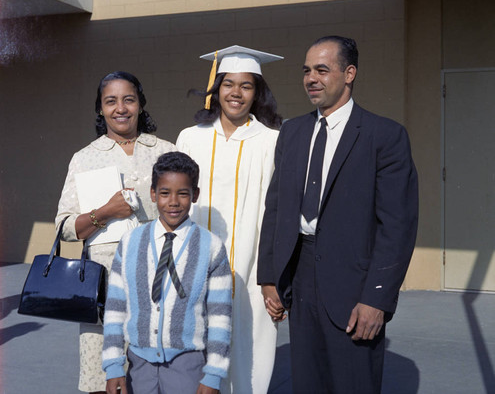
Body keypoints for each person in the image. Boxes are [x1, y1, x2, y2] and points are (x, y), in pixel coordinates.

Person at [257, 36, 419, 394]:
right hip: (300, 282)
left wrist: (376, 299)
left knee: (353, 384)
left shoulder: (385, 136)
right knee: (308, 383)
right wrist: (269, 275)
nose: (311, 78)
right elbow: (276, 208)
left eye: (322, 69)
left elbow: (397, 228)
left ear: (349, 74)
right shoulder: (293, 132)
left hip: (354, 289)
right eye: (306, 71)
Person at [55, 71, 176, 394]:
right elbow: (65, 227)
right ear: (100, 109)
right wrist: (106, 212)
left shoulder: (165, 152)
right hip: (104, 290)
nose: (120, 108)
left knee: (158, 379)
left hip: (159, 286)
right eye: (111, 101)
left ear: (140, 104)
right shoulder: (85, 158)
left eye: (128, 99)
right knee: (104, 382)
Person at [176, 45, 283, 394]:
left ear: (258, 93)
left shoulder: (271, 141)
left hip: (251, 271)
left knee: (250, 350)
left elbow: (276, 212)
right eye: (228, 84)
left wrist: (274, 276)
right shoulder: (191, 138)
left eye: (246, 86)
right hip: (195, 266)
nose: (236, 93)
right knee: (194, 350)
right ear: (216, 88)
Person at [102, 151, 232, 394]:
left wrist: (213, 375)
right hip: (139, 367)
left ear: (195, 195)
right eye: (164, 193)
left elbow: (220, 317)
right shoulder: (130, 242)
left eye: (183, 193)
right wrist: (114, 366)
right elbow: (115, 308)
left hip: (188, 366)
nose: (173, 202)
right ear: (153, 193)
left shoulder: (211, 247)